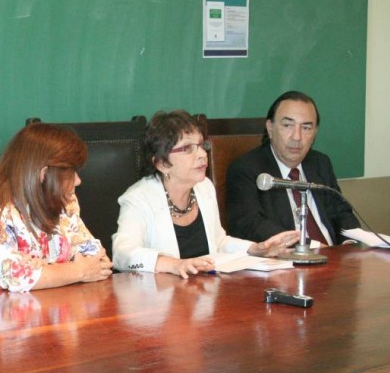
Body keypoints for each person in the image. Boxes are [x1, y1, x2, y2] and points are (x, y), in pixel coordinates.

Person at [112, 110, 298, 278]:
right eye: (187, 148)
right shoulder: (138, 199)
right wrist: (174, 265)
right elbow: (122, 254)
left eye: (201, 145)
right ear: (162, 163)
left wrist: (255, 249)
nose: (202, 154)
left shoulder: (204, 188)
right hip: (159, 303)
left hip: (203, 297)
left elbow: (219, 241)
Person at [0, 123, 113, 296]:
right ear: (43, 174)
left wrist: (45, 270)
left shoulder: (63, 202)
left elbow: (99, 261)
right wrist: (77, 271)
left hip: (41, 308)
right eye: (71, 173)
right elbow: (16, 277)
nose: (78, 181)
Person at [226, 91, 359, 245]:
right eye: (288, 125)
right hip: (287, 261)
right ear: (270, 128)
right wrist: (310, 247)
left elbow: (342, 213)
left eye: (306, 128)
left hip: (336, 260)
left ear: (315, 133)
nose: (297, 137)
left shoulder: (320, 163)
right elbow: (249, 225)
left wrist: (350, 244)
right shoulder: (246, 169)